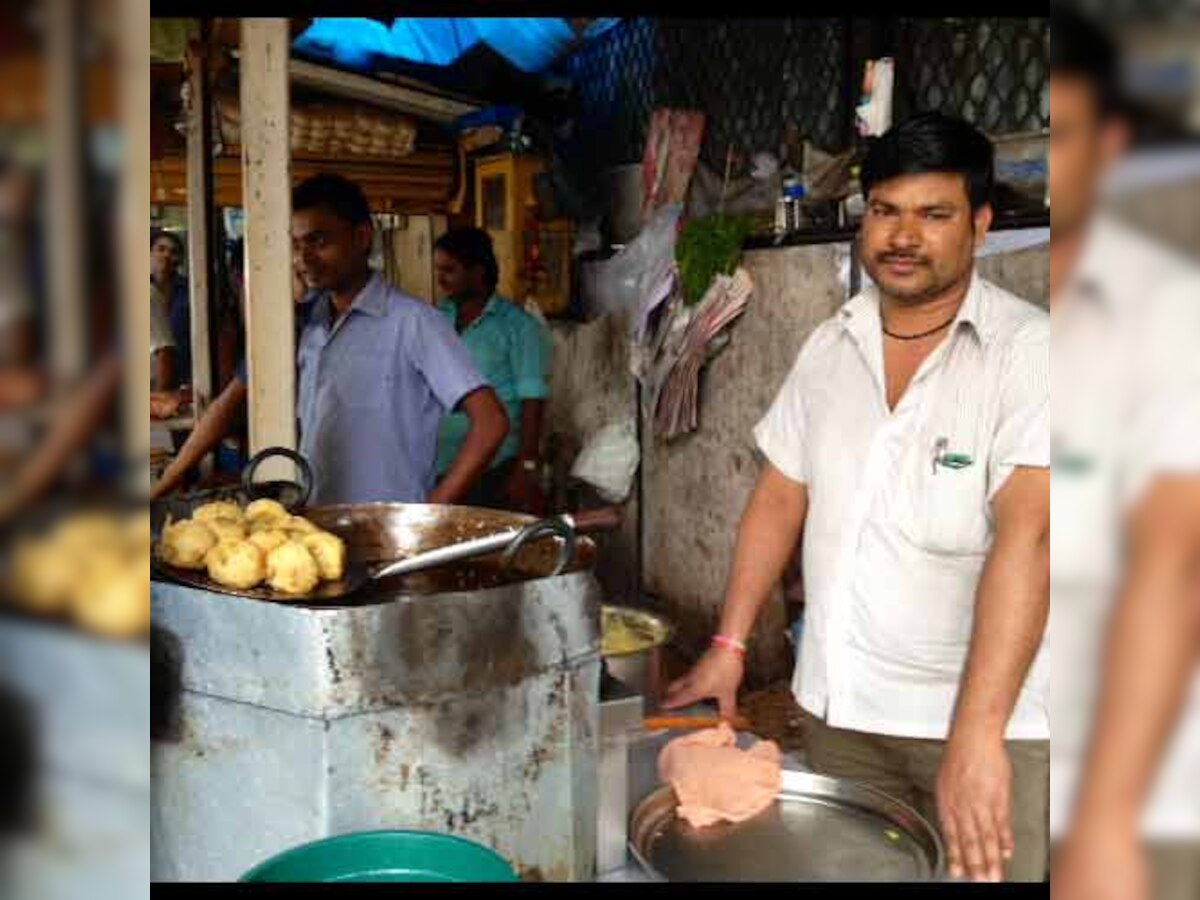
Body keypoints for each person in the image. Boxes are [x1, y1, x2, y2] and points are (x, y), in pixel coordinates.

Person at [662, 112, 1050, 883]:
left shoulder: (1031, 354)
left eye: (934, 215)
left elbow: (1031, 542)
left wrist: (978, 740)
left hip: (984, 726)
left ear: (979, 224)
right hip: (840, 718)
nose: (904, 236)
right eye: (885, 211)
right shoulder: (829, 344)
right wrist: (730, 645)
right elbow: (779, 496)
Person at [1047, 12, 1200, 900]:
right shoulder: (1021, 314)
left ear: (1110, 143)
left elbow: (1174, 568)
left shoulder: (1169, 311)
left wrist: (1106, 819)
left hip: (1143, 800)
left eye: (1063, 132)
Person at [152, 173, 509, 505]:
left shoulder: (414, 322)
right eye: (296, 245)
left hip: (389, 536)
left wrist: (431, 514)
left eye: (318, 241)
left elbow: (491, 422)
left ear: (362, 237)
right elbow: (229, 403)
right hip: (316, 524)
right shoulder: (302, 322)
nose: (303, 258)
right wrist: (164, 483)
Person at [432, 227, 551, 513]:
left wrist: (527, 465)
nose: (440, 279)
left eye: (450, 270)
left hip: (494, 468)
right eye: (438, 269)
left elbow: (532, 400)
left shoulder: (519, 327)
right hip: (439, 465)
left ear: (478, 271)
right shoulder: (436, 318)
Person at [150, 229, 189, 389]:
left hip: (185, 378)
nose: (166, 255)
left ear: (179, 260)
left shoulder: (191, 290)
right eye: (161, 249)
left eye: (173, 251)